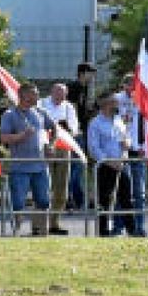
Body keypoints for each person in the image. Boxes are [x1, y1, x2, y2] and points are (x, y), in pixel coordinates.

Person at [0, 81, 58, 236]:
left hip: (40, 166)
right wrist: (22, 136)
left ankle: (42, 233)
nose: (38, 96)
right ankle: (16, 232)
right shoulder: (10, 115)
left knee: (44, 201)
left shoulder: (40, 112)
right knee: (18, 203)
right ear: (24, 95)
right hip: (19, 167)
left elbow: (54, 127)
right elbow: (4, 138)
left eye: (37, 93)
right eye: (34, 93)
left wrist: (50, 145)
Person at [87, 92, 136, 236]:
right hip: (105, 167)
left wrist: (127, 144)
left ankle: (132, 231)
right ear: (105, 105)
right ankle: (103, 233)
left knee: (126, 198)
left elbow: (126, 139)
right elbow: (93, 148)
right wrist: (109, 162)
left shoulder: (119, 120)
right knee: (104, 200)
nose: (118, 104)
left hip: (122, 165)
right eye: (114, 102)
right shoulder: (95, 123)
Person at [40, 82, 79, 233]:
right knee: (43, 186)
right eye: (57, 92)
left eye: (63, 93)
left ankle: (54, 223)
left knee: (61, 187)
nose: (60, 96)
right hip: (46, 148)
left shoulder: (69, 107)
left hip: (63, 148)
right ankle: (40, 224)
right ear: (52, 91)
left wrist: (68, 128)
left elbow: (75, 129)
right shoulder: (41, 103)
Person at [114, 73, 148, 236]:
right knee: (123, 191)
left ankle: (139, 227)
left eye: (134, 85)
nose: (131, 88)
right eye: (129, 85)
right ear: (123, 85)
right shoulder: (116, 100)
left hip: (138, 150)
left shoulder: (144, 101)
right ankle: (118, 227)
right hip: (121, 151)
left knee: (139, 193)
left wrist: (146, 147)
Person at [66, 62, 97, 209]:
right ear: (83, 73)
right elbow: (73, 107)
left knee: (78, 166)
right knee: (77, 165)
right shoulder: (76, 87)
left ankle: (78, 198)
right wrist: (76, 127)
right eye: (90, 73)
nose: (92, 76)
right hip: (76, 132)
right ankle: (70, 198)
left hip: (79, 130)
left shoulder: (82, 88)